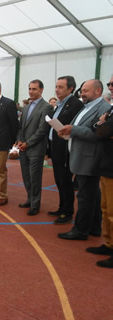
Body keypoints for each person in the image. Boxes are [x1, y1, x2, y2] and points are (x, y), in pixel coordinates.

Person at [57, 79, 111, 240]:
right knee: (92, 195)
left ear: (98, 91)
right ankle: (94, 227)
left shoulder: (104, 108)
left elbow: (97, 134)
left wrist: (73, 129)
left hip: (89, 158)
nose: (82, 94)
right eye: (82, 90)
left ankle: (80, 230)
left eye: (86, 90)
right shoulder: (87, 107)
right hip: (81, 156)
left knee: (85, 196)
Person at [47, 76, 84, 224]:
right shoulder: (60, 104)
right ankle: (62, 207)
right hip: (56, 147)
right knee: (59, 180)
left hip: (65, 149)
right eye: (56, 87)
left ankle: (67, 212)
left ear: (71, 88)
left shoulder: (75, 104)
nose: (57, 90)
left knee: (65, 181)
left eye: (61, 87)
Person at [16, 80, 54, 215]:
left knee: (35, 178)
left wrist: (28, 143)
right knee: (26, 176)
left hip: (36, 149)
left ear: (41, 90)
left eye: (34, 89)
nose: (31, 91)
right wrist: (19, 140)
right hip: (23, 148)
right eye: (29, 89)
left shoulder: (47, 107)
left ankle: (35, 204)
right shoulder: (26, 107)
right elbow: (20, 127)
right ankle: (29, 198)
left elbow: (42, 130)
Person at [87, 84, 113, 268]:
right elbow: (97, 128)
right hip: (106, 164)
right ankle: (109, 244)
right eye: (110, 83)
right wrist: (102, 125)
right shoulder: (111, 107)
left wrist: (103, 126)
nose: (110, 86)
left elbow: (103, 131)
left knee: (112, 211)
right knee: (106, 209)